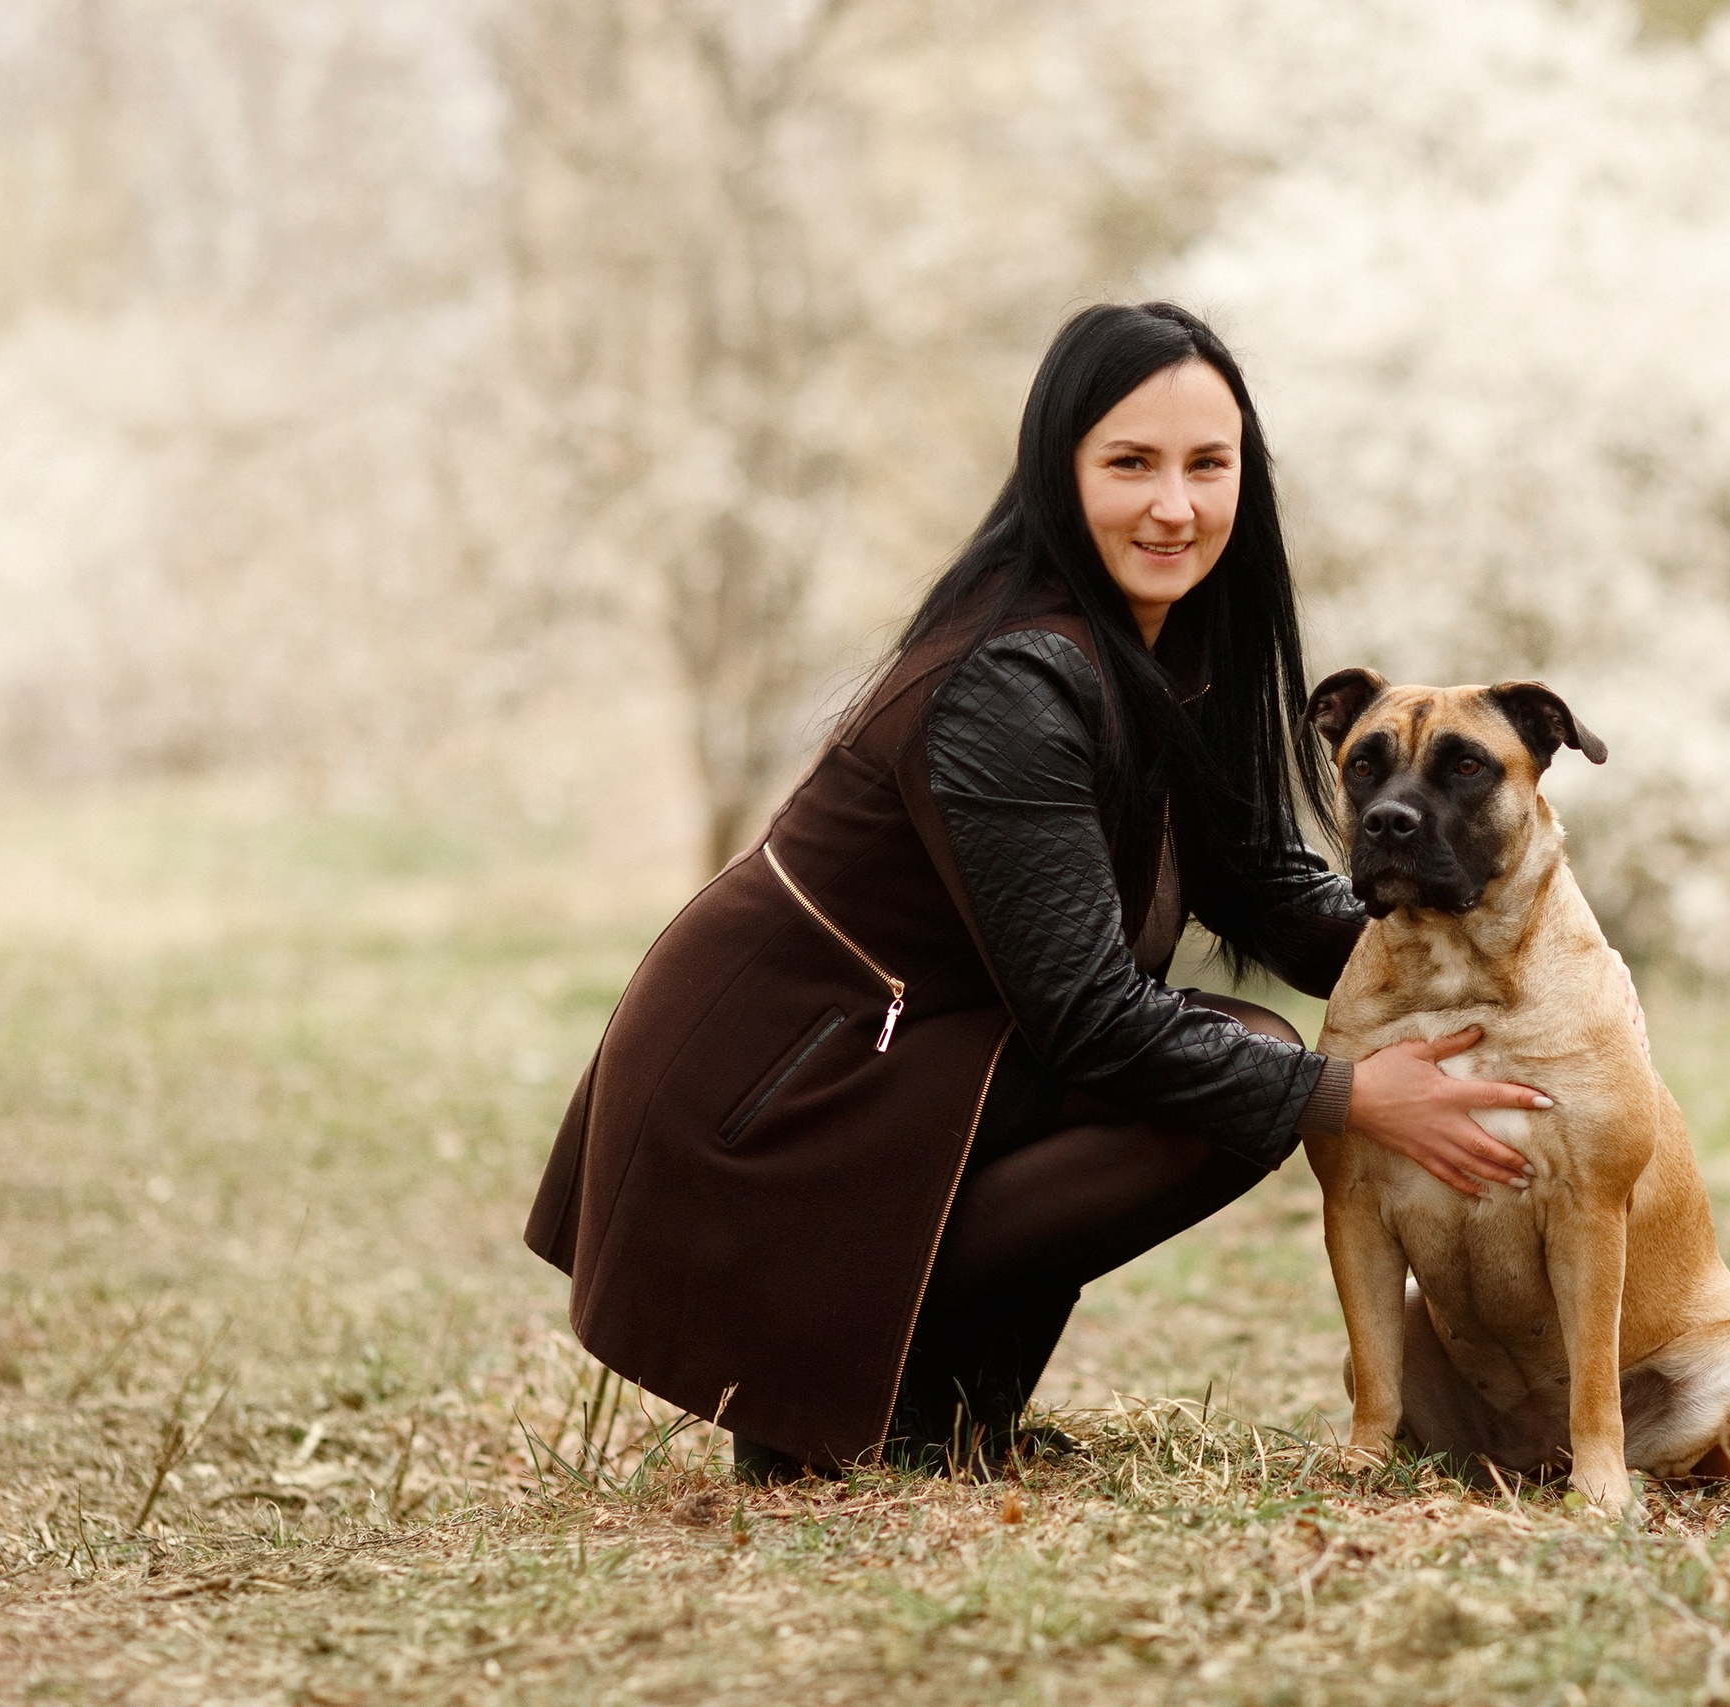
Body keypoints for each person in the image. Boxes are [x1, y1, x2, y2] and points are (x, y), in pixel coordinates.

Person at [523, 302, 1543, 1481]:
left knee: (1233, 1058)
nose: (1176, 505)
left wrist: (1506, 949)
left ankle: (945, 1425)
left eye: (1209, 465)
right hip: (776, 1105)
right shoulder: (1010, 678)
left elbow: (1265, 889)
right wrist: (1348, 1093)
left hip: (911, 1072)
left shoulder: (1177, 652)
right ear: (1059, 475)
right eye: (1131, 464)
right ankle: (855, 1404)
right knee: (1237, 1072)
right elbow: (1089, 1017)